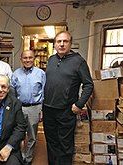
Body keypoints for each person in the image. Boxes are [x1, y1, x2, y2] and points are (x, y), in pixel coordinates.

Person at [43, 31, 94, 165]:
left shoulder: (79, 61)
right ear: (54, 44)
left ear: (70, 44)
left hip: (66, 111)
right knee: (51, 143)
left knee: (65, 146)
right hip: (48, 109)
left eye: (65, 41)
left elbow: (88, 85)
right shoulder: (51, 59)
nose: (62, 44)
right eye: (59, 41)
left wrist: (79, 104)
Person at [11, 50, 46, 165]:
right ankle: (19, 156)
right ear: (21, 59)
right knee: (18, 133)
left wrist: (42, 110)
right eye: (25, 58)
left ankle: (28, 158)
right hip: (19, 108)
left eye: (30, 57)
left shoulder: (41, 73)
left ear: (34, 58)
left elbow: (44, 93)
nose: (27, 60)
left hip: (34, 108)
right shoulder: (15, 74)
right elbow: (12, 93)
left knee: (32, 136)